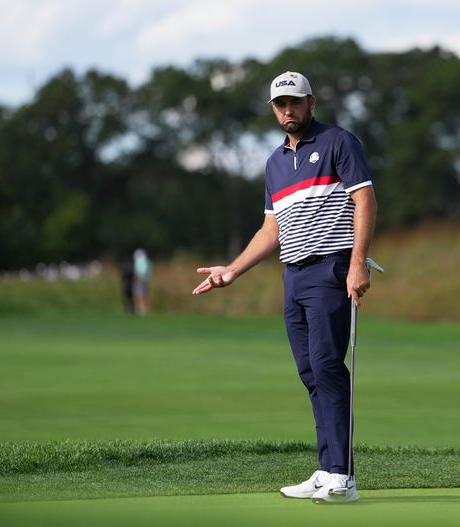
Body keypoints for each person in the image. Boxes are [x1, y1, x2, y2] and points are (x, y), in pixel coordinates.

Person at [192, 71, 377, 504]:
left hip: (330, 269)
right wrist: (233, 270)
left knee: (327, 366)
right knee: (310, 372)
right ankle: (327, 468)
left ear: (311, 103)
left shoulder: (338, 142)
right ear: (274, 110)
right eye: (280, 104)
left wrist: (356, 263)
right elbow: (270, 228)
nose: (287, 110)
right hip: (293, 276)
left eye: (295, 102)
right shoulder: (275, 162)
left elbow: (365, 200)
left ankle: (343, 476)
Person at [133, 248, 152, 315]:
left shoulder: (139, 262)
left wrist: (138, 279)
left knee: (139, 294)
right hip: (146, 280)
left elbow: (140, 272)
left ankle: (141, 309)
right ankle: (142, 308)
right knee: (144, 294)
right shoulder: (147, 262)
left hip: (140, 280)